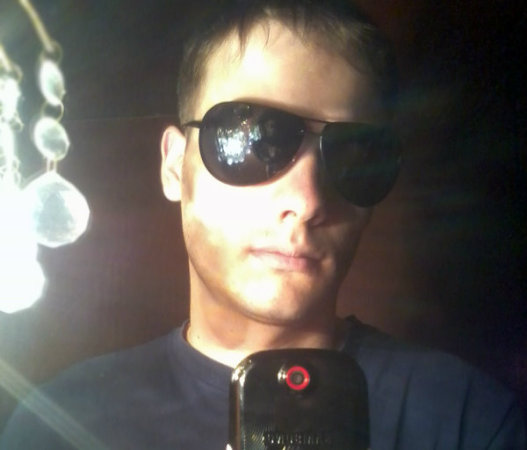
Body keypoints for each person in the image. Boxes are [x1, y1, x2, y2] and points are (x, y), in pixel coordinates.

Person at [1, 0, 525, 448]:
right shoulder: (56, 426)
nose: (307, 200)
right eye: (253, 139)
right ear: (174, 165)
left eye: (355, 155)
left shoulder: (471, 421)